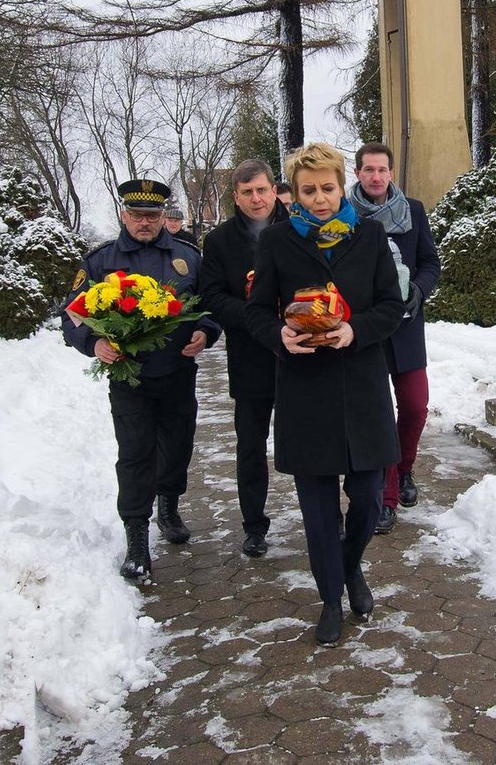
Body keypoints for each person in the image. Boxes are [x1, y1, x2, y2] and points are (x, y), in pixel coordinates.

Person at [245, 143, 405, 645]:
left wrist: (356, 330)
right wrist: (280, 335)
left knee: (368, 498)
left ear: (342, 186)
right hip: (305, 391)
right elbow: (256, 310)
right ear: (295, 194)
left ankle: (349, 566)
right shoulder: (277, 241)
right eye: (309, 190)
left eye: (328, 188)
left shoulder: (370, 234)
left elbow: (391, 304)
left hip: (362, 386)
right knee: (317, 511)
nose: (319, 199)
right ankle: (331, 599)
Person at [61, 178, 220, 582]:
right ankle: (136, 538)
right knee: (135, 453)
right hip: (129, 378)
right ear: (123, 215)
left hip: (178, 373)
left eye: (152, 215)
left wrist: (205, 332)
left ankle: (169, 507)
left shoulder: (188, 257)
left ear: (163, 216)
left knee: (178, 445)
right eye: (136, 215)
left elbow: (210, 305)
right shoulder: (101, 261)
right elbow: (72, 316)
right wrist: (94, 342)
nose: (144, 222)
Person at [198, 159, 289, 559]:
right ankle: (254, 525)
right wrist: (257, 317)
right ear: (235, 197)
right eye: (247, 192)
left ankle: (325, 516)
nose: (256, 198)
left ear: (274, 191)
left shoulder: (299, 228)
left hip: (300, 353)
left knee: (311, 440)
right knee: (251, 445)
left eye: (262, 190)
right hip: (250, 355)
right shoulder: (219, 241)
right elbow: (212, 296)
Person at [349, 142, 441, 535]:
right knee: (380, 416)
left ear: (391, 173)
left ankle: (404, 469)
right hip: (367, 329)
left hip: (406, 328)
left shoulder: (413, 211)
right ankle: (386, 499)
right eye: (368, 169)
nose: (376, 176)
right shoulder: (345, 215)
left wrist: (419, 289)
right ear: (357, 173)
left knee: (415, 407)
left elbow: (430, 262)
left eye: (382, 169)